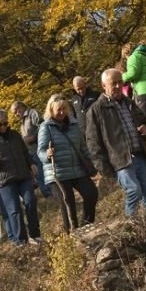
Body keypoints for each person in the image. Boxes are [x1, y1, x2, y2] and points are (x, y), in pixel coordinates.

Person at [86, 68, 146, 217]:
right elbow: (93, 144)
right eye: (113, 83)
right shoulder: (96, 110)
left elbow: (144, 121)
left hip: (140, 156)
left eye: (120, 82)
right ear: (104, 86)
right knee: (133, 191)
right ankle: (131, 227)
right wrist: (106, 170)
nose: (118, 86)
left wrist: (145, 129)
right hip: (120, 161)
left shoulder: (129, 102)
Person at [0, 109, 43, 247]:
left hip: (23, 175)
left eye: (5, 123)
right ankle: (21, 241)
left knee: (30, 202)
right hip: (5, 180)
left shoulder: (15, 135)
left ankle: (35, 235)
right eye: (0, 124)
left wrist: (31, 163)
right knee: (14, 210)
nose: (3, 127)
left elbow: (25, 152)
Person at [38, 94, 99, 232]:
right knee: (68, 202)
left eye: (64, 109)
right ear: (51, 110)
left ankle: (86, 226)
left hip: (77, 169)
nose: (61, 112)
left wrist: (92, 162)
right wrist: (47, 154)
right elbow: (40, 151)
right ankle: (71, 234)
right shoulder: (45, 127)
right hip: (57, 172)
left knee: (91, 193)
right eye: (58, 109)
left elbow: (83, 147)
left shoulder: (74, 124)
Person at [10, 100, 53, 199]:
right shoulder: (22, 121)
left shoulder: (32, 113)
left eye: (16, 111)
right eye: (14, 113)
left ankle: (51, 193)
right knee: (38, 173)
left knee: (43, 172)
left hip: (39, 148)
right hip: (31, 151)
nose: (16, 114)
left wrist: (33, 137)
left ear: (21, 107)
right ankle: (47, 194)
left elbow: (43, 126)